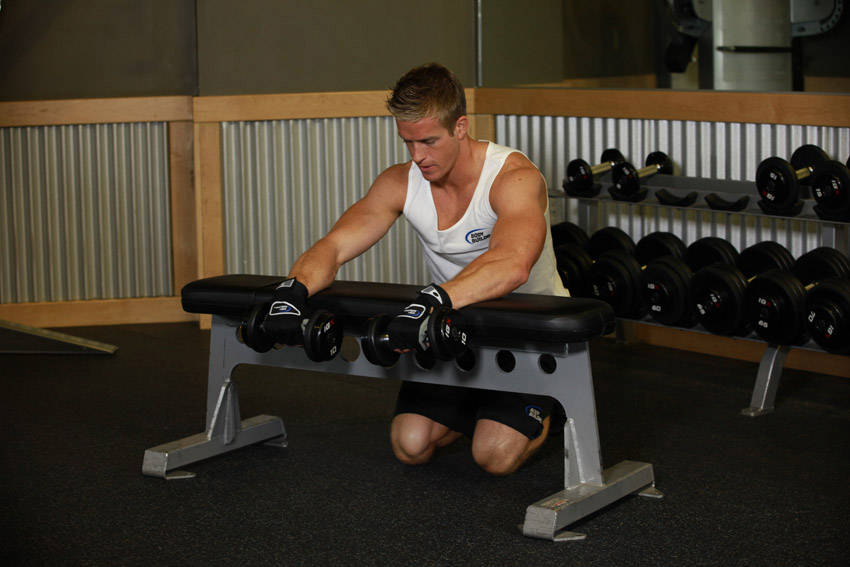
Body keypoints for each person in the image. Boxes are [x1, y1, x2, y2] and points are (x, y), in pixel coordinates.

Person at [263, 63, 568, 475]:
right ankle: (481, 405)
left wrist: (434, 299)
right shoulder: (399, 182)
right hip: (448, 324)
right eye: (408, 142)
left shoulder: (512, 178)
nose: (418, 156)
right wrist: (291, 292)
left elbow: (512, 264)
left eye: (429, 141)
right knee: (410, 445)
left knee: (494, 457)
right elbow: (334, 246)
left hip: (527, 329)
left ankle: (553, 405)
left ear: (460, 127)